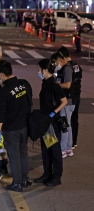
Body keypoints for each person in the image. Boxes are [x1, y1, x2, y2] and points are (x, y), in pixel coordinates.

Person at [0, 60, 33, 192]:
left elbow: (0, 114)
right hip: (24, 126)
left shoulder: (3, 91)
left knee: (14, 157)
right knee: (23, 154)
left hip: (11, 130)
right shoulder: (23, 84)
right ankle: (25, 179)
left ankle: (17, 183)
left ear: (1, 74)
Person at [35, 59, 68, 187]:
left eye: (39, 69)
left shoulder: (54, 85)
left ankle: (57, 176)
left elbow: (64, 101)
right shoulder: (45, 83)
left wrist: (53, 113)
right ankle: (47, 173)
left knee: (54, 149)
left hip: (52, 122)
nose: (38, 72)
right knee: (45, 148)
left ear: (45, 70)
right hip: (45, 121)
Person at [50, 52, 76, 158]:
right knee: (67, 124)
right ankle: (68, 148)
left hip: (67, 101)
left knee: (64, 124)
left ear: (60, 60)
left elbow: (68, 84)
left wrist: (55, 85)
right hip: (68, 101)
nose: (55, 64)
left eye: (55, 62)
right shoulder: (62, 69)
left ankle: (63, 149)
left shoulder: (67, 69)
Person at [57, 46, 82, 149]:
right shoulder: (77, 66)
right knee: (73, 119)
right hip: (77, 95)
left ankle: (66, 145)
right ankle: (72, 142)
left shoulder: (67, 67)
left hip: (69, 96)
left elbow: (67, 84)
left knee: (67, 122)